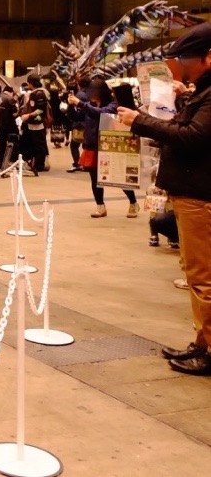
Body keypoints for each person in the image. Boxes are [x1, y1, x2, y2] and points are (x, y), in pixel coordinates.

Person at [118, 22, 211, 375]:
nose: (180, 66)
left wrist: (139, 122)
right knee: (196, 273)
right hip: (192, 193)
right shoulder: (203, 91)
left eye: (186, 59)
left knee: (203, 278)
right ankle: (202, 342)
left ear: (208, 57)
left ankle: (209, 349)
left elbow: (193, 136)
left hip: (200, 196)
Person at [68, 78, 139, 218]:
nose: (91, 94)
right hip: (92, 145)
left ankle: (133, 202)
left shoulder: (114, 105)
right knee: (95, 178)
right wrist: (70, 105)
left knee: (118, 177)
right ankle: (100, 206)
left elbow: (101, 113)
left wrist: (80, 103)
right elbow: (76, 116)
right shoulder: (90, 105)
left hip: (110, 146)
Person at [19, 74, 50, 175]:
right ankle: (35, 164)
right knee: (34, 144)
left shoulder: (39, 94)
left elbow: (40, 109)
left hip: (38, 123)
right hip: (32, 123)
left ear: (31, 83)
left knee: (39, 145)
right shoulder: (35, 93)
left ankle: (39, 166)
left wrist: (28, 115)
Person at [0, 85, 19, 173]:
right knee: (13, 144)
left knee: (1, 144)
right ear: (11, 92)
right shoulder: (10, 99)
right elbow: (14, 113)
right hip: (8, 125)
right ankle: (10, 163)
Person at [66, 77, 89, 172]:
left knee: (74, 145)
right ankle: (86, 164)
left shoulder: (79, 95)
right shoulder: (91, 93)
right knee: (86, 145)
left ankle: (77, 163)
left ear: (79, 85)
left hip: (80, 123)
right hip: (90, 123)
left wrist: (70, 105)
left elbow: (76, 113)